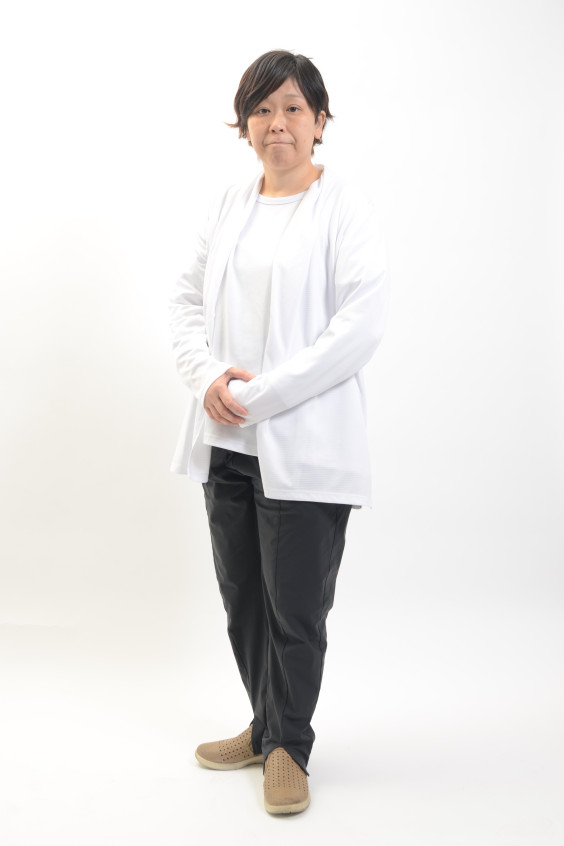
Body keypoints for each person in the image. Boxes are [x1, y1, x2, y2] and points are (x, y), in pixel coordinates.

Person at [168, 49, 390, 815]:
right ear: (245, 124)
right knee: (245, 602)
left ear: (320, 121)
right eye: (262, 109)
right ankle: (265, 725)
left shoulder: (343, 210)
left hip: (305, 443)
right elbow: (184, 300)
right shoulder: (229, 204)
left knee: (295, 608)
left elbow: (358, 328)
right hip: (226, 439)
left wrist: (259, 396)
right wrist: (207, 377)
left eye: (293, 108)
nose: (277, 123)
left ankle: (291, 747)